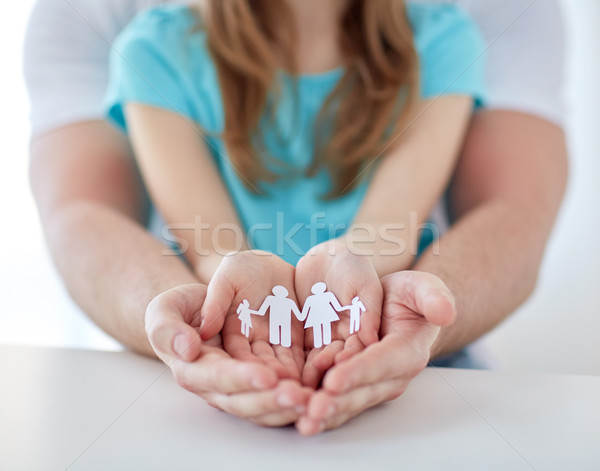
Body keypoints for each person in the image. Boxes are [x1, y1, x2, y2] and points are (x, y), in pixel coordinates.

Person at [23, 0, 568, 436]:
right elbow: (210, 245)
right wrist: (230, 284)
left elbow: (384, 235)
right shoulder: (154, 51)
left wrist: (356, 275)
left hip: (400, 342)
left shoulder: (444, 42)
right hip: (218, 347)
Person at [301, 283, 345, 349]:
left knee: (321, 328)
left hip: (318, 316)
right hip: (323, 315)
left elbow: (304, 313)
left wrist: (299, 317)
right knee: (324, 327)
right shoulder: (327, 295)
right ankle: (323, 342)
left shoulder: (311, 298)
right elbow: (338, 307)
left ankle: (322, 342)